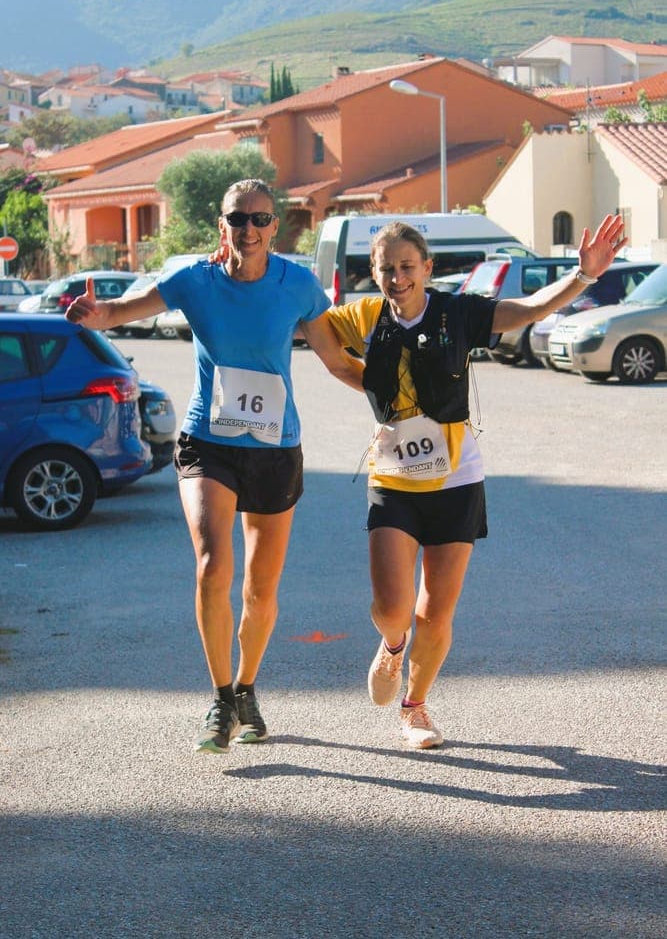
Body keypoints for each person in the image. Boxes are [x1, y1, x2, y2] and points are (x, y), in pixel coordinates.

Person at [65, 178, 364, 753]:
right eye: (237, 219)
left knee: (260, 587)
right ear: (220, 225)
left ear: (275, 226)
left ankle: (248, 687)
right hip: (210, 440)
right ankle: (222, 696)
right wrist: (96, 315)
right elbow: (126, 309)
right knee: (211, 566)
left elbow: (336, 360)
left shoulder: (297, 285)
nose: (247, 229)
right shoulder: (194, 280)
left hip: (276, 445)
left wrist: (392, 395)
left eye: (259, 219)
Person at [327, 213, 626, 749]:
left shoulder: (457, 313)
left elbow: (530, 309)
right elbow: (314, 330)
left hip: (456, 480)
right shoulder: (366, 316)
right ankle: (392, 645)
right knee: (393, 607)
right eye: (388, 268)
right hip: (393, 479)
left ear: (427, 268)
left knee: (436, 611)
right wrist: (360, 378)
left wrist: (583, 277)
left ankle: (415, 709)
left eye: (407, 266)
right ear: (375, 274)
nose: (398, 277)